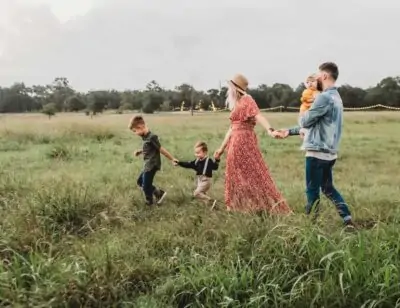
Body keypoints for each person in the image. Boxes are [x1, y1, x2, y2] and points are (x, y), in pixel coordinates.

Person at [274, 62, 355, 228]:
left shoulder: (323, 97)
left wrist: (304, 108)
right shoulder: (336, 97)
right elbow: (317, 125)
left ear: (324, 76)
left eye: (318, 75)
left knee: (312, 190)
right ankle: (347, 219)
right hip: (330, 152)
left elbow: (306, 121)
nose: (316, 78)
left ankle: (310, 225)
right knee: (327, 188)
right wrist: (290, 132)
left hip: (317, 152)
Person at [214, 74, 291, 214]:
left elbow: (258, 115)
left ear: (235, 88)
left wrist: (270, 130)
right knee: (233, 174)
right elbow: (231, 128)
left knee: (253, 173)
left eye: (230, 87)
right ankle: (235, 206)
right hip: (234, 142)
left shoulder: (247, 99)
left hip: (244, 141)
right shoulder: (237, 103)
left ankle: (260, 204)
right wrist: (221, 148)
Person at [129, 115, 176, 206]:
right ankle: (159, 193)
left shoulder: (152, 137)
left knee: (146, 185)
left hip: (152, 165)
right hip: (148, 164)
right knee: (140, 181)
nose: (135, 133)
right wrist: (141, 151)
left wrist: (172, 159)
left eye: (135, 131)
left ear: (141, 127)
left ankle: (149, 202)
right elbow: (150, 149)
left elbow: (160, 149)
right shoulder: (146, 137)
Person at [173, 141, 219, 208]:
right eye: (195, 153)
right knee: (202, 194)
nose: (196, 155)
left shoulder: (208, 161)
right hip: (199, 180)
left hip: (206, 180)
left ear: (205, 152)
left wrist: (217, 160)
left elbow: (215, 167)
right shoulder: (197, 161)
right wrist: (179, 163)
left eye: (198, 153)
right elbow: (188, 164)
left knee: (196, 193)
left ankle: (211, 201)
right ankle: (212, 206)